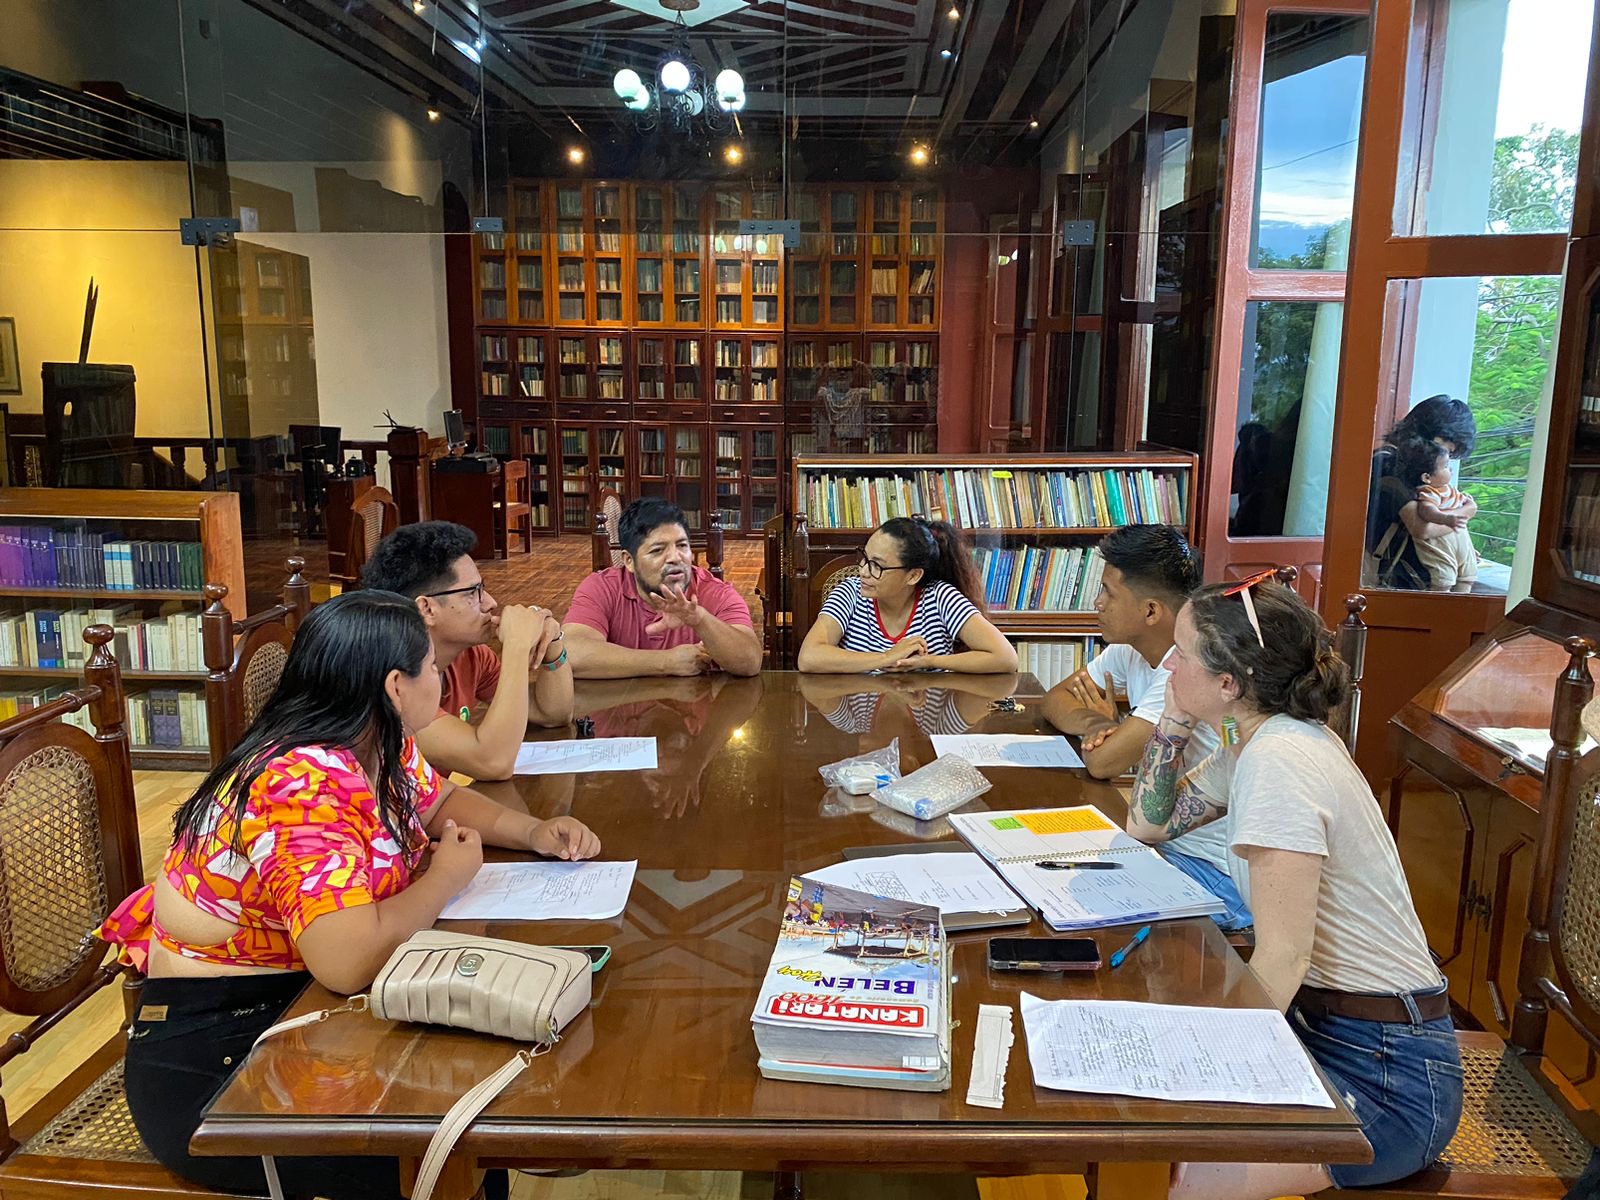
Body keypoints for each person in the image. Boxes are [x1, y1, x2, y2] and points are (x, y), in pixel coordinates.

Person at [101, 590, 601, 1198]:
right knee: (454, 1142)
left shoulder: (373, 736)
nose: (441, 681)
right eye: (433, 669)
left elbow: (437, 800)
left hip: (304, 1010)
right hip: (222, 1062)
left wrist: (532, 832)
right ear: (395, 685)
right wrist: (447, 877)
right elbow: (347, 962)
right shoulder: (301, 782)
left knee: (476, 1096)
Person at [1123, 577, 1460, 1199]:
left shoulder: (1281, 762)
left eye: (1182, 653)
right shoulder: (1259, 741)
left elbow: (1283, 957)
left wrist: (1199, 1074)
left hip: (1388, 1071)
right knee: (1155, 1124)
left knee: (1171, 1174)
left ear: (1230, 683)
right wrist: (1173, 714)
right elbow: (1147, 822)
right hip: (1331, 1027)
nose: (1168, 663)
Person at [1038, 525, 1249, 931]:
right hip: (1160, 842)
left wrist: (1111, 737)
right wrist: (1099, 722)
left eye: (1108, 593)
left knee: (1063, 903)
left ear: (1151, 611)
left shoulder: (1184, 669)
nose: (1097, 603)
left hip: (1212, 870)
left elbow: (1103, 763)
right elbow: (1055, 699)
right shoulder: (1130, 650)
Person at [361, 521, 571, 781]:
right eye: (473, 592)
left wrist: (553, 643)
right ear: (427, 608)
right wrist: (517, 646)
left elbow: (552, 714)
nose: (491, 603)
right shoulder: (395, 683)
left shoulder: (470, 656)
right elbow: (493, 762)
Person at [564, 497, 761, 679]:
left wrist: (701, 620)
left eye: (682, 546)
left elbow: (751, 662)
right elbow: (570, 654)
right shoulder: (602, 588)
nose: (675, 557)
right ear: (628, 561)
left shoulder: (716, 593)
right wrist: (665, 662)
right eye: (658, 550)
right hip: (621, 712)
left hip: (694, 712)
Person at [797, 515, 1018, 675]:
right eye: (864, 557)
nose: (863, 570)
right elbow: (808, 658)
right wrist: (885, 658)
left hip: (925, 718)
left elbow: (1005, 658)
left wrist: (929, 661)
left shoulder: (940, 598)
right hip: (861, 717)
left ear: (912, 576)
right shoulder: (849, 592)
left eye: (877, 565)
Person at [1366, 394, 1477, 589]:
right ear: (1429, 434)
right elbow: (1422, 529)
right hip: (1399, 581)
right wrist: (1467, 512)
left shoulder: (1410, 467)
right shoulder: (1388, 465)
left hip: (1412, 578)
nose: (1445, 457)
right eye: (1446, 448)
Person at [1396, 435, 1479, 592]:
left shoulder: (1449, 490)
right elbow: (1427, 511)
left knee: (1467, 579)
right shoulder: (1428, 492)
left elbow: (1466, 507)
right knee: (1443, 582)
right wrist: (1447, 518)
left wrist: (1467, 503)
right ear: (1427, 477)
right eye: (1446, 466)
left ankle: (1458, 611)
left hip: (1460, 546)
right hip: (1440, 548)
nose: (1451, 470)